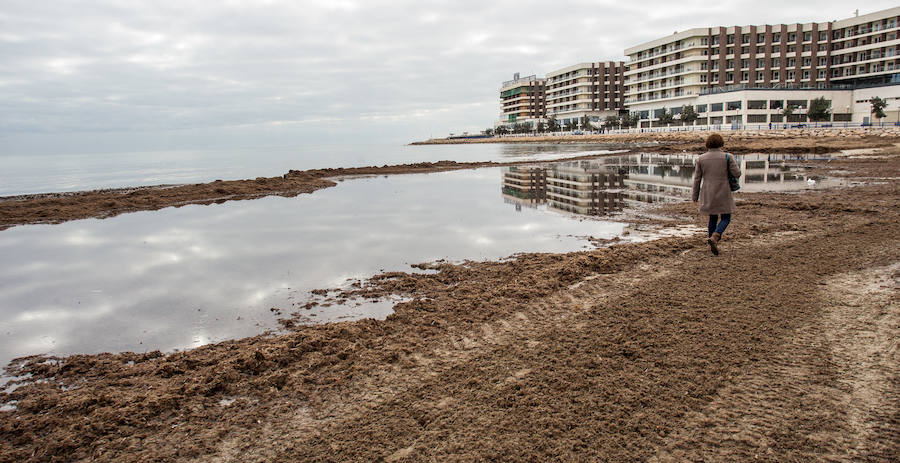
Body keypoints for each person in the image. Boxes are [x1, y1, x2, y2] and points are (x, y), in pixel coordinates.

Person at [692, 133, 741, 256]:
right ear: (721, 144)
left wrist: (694, 197)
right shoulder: (727, 157)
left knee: (712, 218)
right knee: (726, 217)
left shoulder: (701, 159)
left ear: (708, 144)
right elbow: (737, 174)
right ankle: (715, 237)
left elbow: (697, 180)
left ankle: (712, 241)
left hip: (708, 192)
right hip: (723, 190)